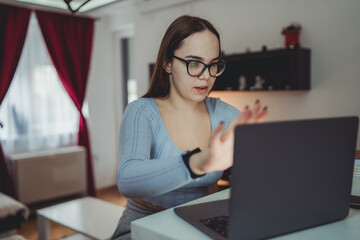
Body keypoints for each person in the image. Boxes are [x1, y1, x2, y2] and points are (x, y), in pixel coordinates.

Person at [111, 15, 267, 239]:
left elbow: (268, 158)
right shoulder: (141, 111)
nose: (206, 76)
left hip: (198, 224)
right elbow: (127, 180)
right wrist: (198, 162)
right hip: (142, 226)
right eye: (194, 63)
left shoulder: (222, 113)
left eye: (213, 65)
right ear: (167, 63)